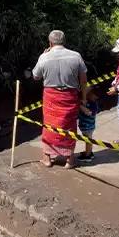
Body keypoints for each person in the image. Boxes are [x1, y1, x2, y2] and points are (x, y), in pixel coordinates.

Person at [31, 30, 88, 169]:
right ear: (64, 41)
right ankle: (69, 160)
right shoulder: (76, 56)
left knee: (49, 126)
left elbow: (35, 76)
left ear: (50, 43)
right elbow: (83, 80)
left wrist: (43, 55)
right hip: (70, 96)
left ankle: (47, 158)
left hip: (51, 97)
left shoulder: (44, 57)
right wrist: (84, 98)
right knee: (69, 126)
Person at [77, 87, 99, 162]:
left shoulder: (93, 105)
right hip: (85, 126)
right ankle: (89, 152)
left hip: (88, 127)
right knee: (88, 140)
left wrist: (80, 106)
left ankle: (88, 156)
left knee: (88, 141)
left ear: (95, 96)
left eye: (90, 94)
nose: (88, 95)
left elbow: (88, 112)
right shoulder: (88, 101)